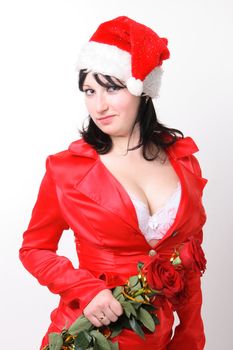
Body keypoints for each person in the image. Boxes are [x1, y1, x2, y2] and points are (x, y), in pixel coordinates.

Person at [19, 16, 208, 350]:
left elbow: (189, 260)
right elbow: (35, 249)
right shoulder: (67, 170)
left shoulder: (184, 163)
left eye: (112, 87)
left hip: (159, 339)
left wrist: (191, 335)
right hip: (89, 338)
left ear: (142, 90)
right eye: (90, 91)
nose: (99, 105)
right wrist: (85, 289)